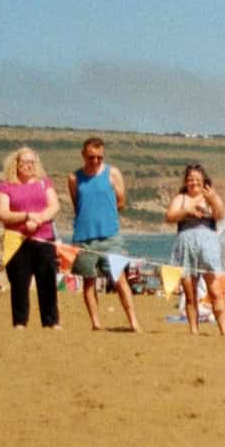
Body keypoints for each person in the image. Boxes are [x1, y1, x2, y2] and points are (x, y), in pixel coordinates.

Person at [67, 136, 140, 332]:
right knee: (88, 281)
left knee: (120, 279)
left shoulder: (112, 173)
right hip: (84, 237)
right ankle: (96, 323)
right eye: (91, 157)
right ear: (83, 155)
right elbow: (77, 205)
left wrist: (105, 214)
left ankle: (133, 321)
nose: (95, 161)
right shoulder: (74, 178)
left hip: (110, 236)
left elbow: (121, 202)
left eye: (99, 157)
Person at [0, 146, 62, 330]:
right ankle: (20, 322)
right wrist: (26, 216)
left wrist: (38, 219)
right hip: (17, 241)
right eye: (24, 162)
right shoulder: (5, 186)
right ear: (15, 164)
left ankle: (51, 321)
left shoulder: (44, 183)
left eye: (32, 162)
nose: (28, 166)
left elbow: (54, 206)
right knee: (19, 283)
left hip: (43, 238)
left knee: (47, 281)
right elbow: (3, 213)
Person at [165, 163, 225, 338]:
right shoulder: (181, 198)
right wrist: (186, 210)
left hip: (208, 245)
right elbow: (169, 217)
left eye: (197, 179)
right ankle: (193, 329)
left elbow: (220, 215)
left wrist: (214, 200)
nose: (194, 182)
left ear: (204, 181)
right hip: (186, 245)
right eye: (190, 179)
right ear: (186, 181)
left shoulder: (210, 195)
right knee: (190, 292)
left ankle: (223, 329)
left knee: (215, 290)